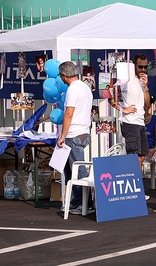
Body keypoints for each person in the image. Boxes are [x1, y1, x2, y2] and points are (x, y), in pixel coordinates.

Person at [110, 53, 151, 200]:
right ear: (134, 65)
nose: (143, 69)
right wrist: (122, 109)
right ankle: (132, 191)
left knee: (141, 157)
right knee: (133, 156)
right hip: (129, 122)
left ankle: (135, 188)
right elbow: (109, 94)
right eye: (140, 66)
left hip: (140, 122)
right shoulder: (125, 80)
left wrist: (145, 87)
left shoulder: (142, 81)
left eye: (146, 67)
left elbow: (147, 103)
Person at [56, 61, 94, 215]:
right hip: (84, 131)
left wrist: (63, 135)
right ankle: (77, 201)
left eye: (61, 76)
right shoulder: (85, 87)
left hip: (74, 133)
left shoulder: (73, 89)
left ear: (64, 76)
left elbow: (69, 113)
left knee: (77, 171)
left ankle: (85, 203)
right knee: (71, 169)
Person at [144, 97, 156, 191]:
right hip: (141, 150)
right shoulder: (136, 120)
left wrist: (154, 149)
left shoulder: (155, 119)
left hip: (152, 149)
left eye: (146, 104)